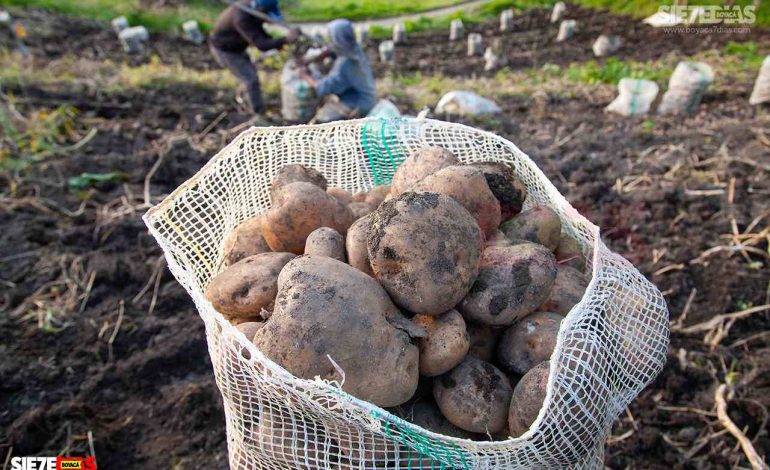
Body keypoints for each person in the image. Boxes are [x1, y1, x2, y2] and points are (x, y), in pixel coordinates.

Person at [209, 0, 299, 114]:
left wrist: (279, 43)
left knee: (248, 76)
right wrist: (285, 40)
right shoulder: (242, 18)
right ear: (261, 10)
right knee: (251, 79)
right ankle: (257, 114)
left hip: (237, 47)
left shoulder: (254, 10)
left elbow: (260, 32)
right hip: (225, 51)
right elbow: (261, 44)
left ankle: (245, 100)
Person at [302, 19, 376, 123]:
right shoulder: (355, 48)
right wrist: (322, 54)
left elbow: (323, 88)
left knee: (321, 119)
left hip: (358, 104)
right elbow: (334, 48)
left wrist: (306, 76)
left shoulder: (344, 64)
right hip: (369, 98)